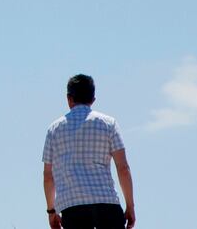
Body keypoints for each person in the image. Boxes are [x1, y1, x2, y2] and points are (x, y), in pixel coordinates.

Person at [42, 74, 134, 229]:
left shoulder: (54, 130)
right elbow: (123, 168)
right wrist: (130, 206)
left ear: (69, 99)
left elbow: (48, 176)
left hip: (73, 208)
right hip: (108, 205)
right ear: (93, 99)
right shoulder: (109, 124)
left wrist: (52, 211)